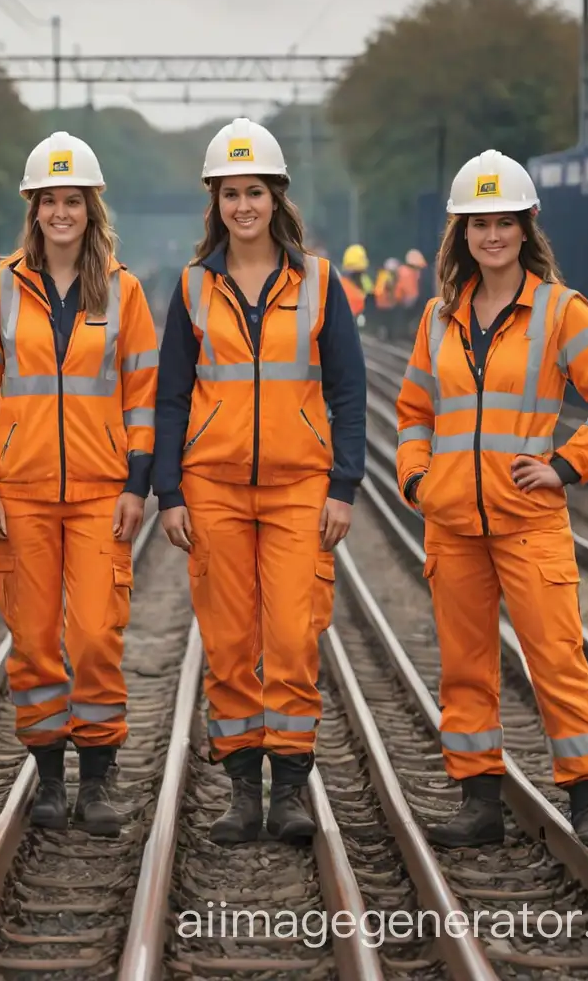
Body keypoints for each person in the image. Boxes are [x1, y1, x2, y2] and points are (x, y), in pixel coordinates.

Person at [395, 149, 588, 854]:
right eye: (478, 224)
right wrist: (417, 478)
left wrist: (566, 464)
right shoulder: (440, 317)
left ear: (527, 228)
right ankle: (479, 804)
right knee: (465, 666)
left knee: (557, 660)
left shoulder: (562, 310)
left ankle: (587, 800)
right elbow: (414, 410)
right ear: (461, 234)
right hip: (452, 523)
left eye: (504, 223)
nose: (492, 236)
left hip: (529, 521)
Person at [152, 117, 367, 845]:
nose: (243, 205)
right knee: (229, 638)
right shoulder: (191, 287)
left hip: (299, 488)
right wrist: (169, 492)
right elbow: (172, 394)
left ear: (277, 198)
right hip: (211, 488)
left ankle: (292, 790)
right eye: (230, 193)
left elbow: (347, 388)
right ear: (215, 201)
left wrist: (345, 485)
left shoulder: (319, 283)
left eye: (256, 191)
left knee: (294, 635)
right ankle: (245, 789)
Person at [0, 131, 159, 838]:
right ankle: (47, 778)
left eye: (74, 201)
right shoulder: (0, 290)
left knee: (98, 635)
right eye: (50, 200)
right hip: (20, 493)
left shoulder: (125, 290)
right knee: (35, 640)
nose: (62, 212)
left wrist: (139, 483)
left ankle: (97, 779)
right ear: (33, 208)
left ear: (91, 208)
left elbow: (142, 393)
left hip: (104, 490)